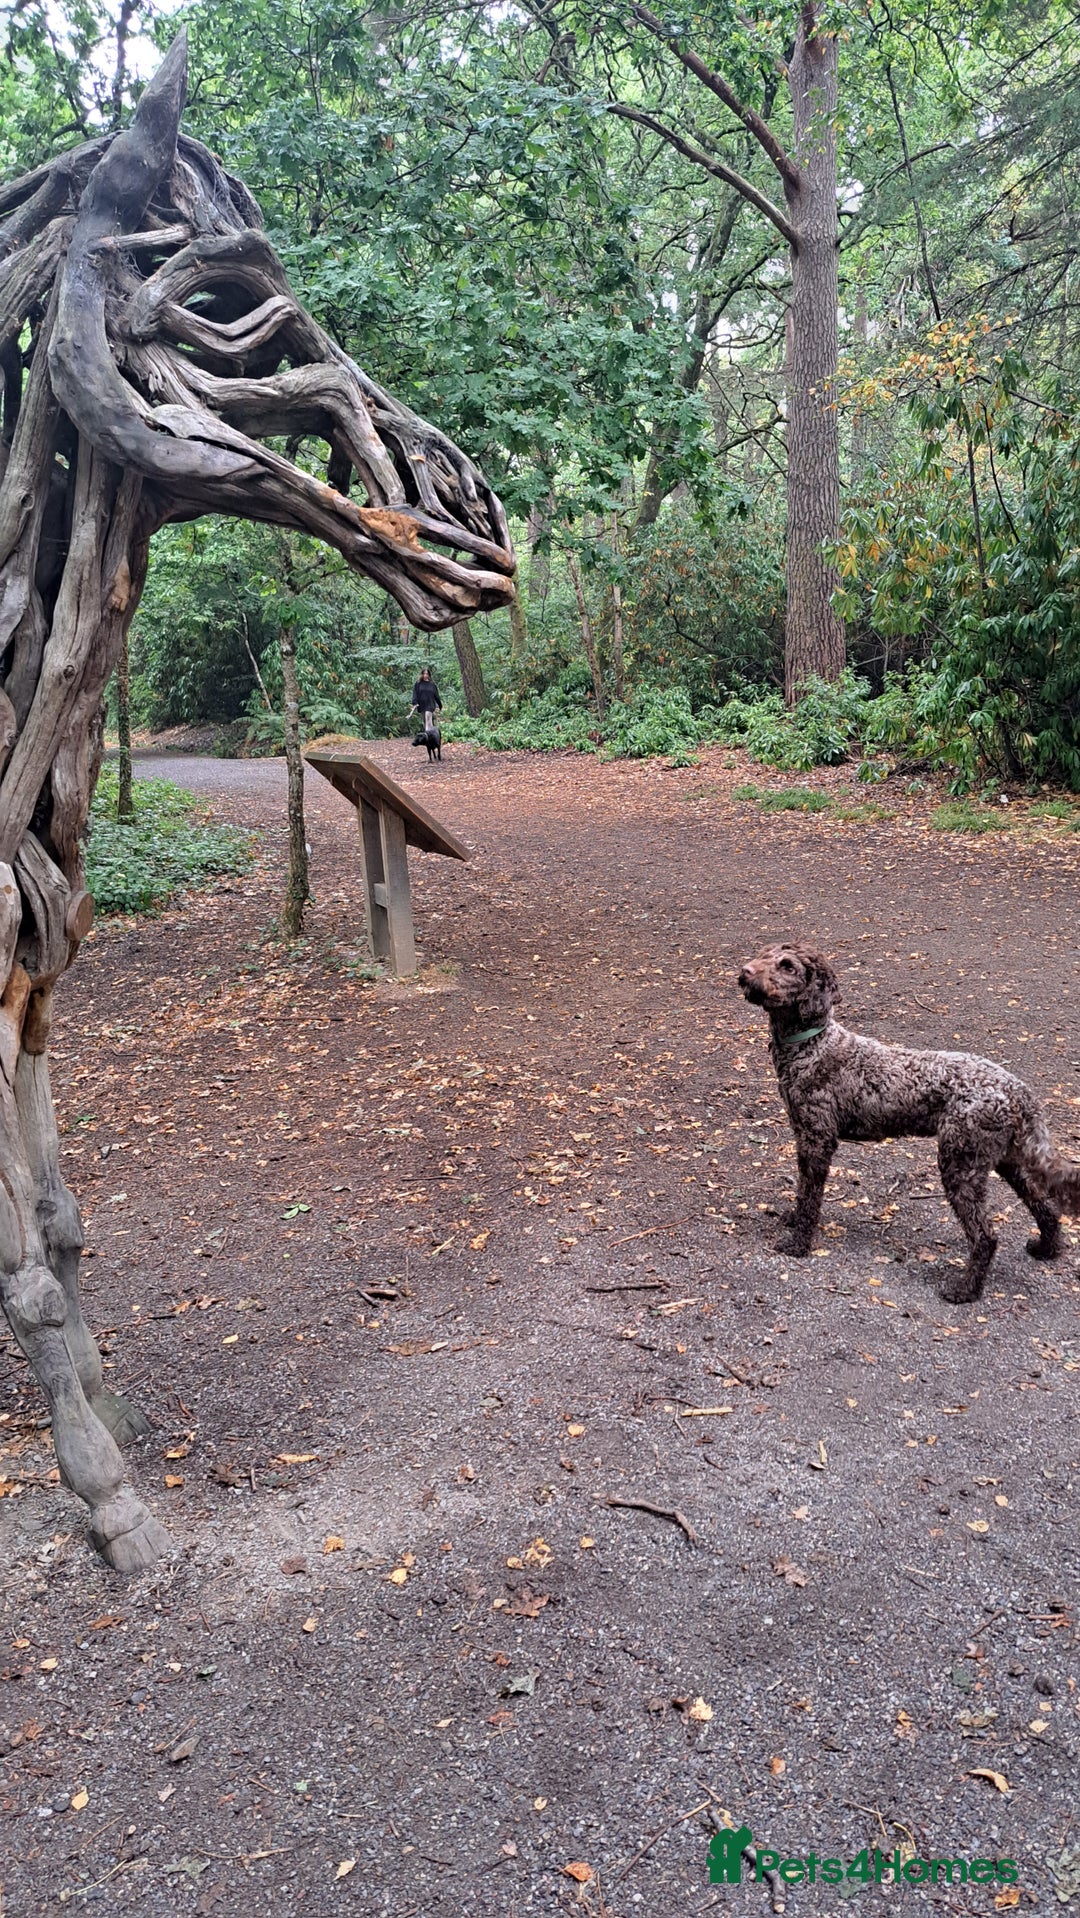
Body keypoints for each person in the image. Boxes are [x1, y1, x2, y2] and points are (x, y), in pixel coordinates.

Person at [409, 665, 442, 736]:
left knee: (428, 718)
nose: (425, 675)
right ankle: (432, 733)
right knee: (425, 721)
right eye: (424, 674)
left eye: (427, 674)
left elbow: (436, 695)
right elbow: (415, 693)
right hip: (422, 705)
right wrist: (415, 702)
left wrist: (439, 705)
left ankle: (428, 735)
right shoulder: (418, 684)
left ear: (429, 675)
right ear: (422, 674)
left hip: (430, 705)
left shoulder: (432, 684)